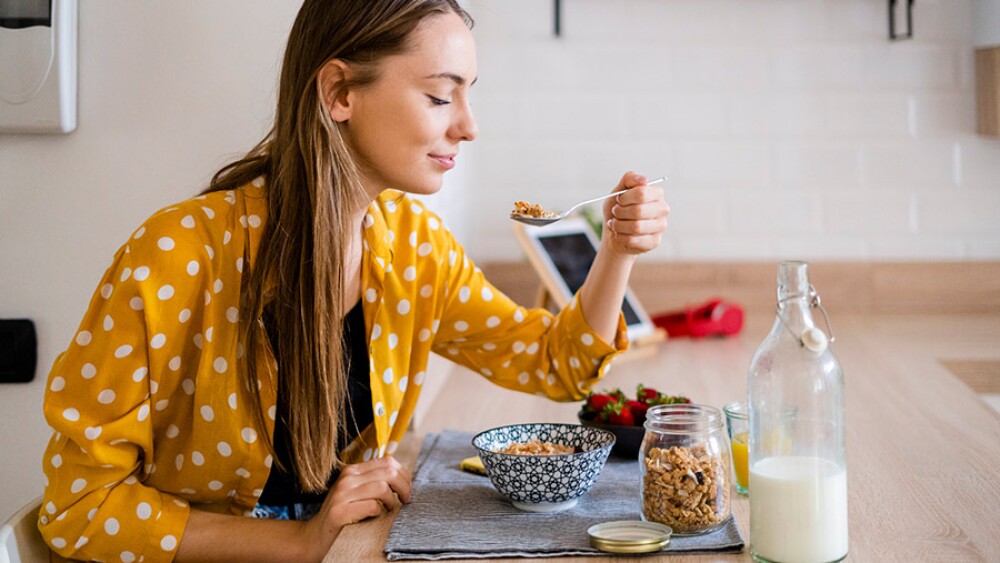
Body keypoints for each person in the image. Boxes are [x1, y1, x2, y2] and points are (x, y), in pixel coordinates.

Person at [37, 0, 670, 561]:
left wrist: (616, 251)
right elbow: (78, 510)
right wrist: (300, 541)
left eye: (469, 93)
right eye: (440, 95)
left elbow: (553, 364)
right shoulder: (177, 254)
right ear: (340, 91)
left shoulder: (414, 247)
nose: (468, 126)